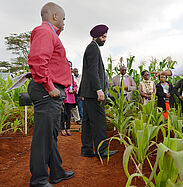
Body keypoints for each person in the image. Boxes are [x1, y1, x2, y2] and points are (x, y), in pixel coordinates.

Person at [27, 2, 74, 186]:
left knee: (50, 136)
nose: (64, 21)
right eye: (63, 18)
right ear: (54, 16)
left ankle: (56, 172)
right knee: (43, 138)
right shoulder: (45, 32)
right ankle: (38, 180)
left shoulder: (50, 34)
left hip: (52, 92)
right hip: (48, 91)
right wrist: (49, 86)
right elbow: (38, 61)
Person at [79, 24, 118, 159]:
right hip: (93, 93)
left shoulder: (92, 48)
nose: (105, 39)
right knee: (99, 121)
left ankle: (87, 149)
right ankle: (101, 150)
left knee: (88, 122)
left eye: (106, 36)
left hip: (88, 93)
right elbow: (93, 71)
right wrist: (99, 89)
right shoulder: (93, 48)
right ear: (96, 36)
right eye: (103, 36)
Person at [61, 62, 77, 136]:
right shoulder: (61, 75)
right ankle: (62, 128)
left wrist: (74, 90)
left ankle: (68, 128)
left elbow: (75, 86)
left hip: (70, 98)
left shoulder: (71, 77)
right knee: (63, 114)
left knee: (69, 114)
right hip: (63, 97)